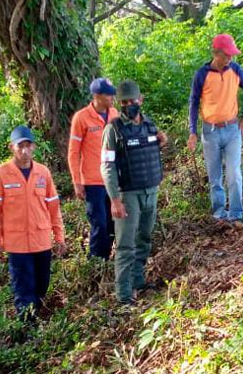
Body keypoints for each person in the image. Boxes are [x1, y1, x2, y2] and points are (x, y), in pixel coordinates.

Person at [0, 125, 66, 321]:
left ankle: (38, 320)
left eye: (28, 146)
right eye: (20, 146)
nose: (25, 151)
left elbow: (53, 207)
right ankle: (27, 330)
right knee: (23, 289)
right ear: (11, 147)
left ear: (34, 147)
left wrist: (59, 237)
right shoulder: (0, 174)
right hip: (17, 244)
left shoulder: (43, 172)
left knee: (42, 285)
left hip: (41, 241)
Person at [100, 80, 167, 305]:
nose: (130, 105)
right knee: (126, 245)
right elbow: (107, 166)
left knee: (144, 239)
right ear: (119, 104)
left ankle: (138, 280)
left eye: (133, 101)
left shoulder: (150, 125)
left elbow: (151, 150)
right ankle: (124, 293)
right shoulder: (113, 130)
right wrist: (114, 199)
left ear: (141, 100)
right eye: (125, 102)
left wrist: (162, 141)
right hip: (128, 194)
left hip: (151, 190)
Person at [187, 34, 243, 228]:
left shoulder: (236, 70)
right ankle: (219, 215)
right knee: (215, 177)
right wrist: (192, 131)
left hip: (232, 129)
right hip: (210, 132)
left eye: (232, 55)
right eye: (226, 55)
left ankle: (236, 215)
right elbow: (193, 102)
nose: (230, 58)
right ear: (216, 53)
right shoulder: (202, 74)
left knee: (234, 172)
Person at [68, 78, 119, 260]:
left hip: (113, 180)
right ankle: (96, 264)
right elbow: (73, 152)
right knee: (99, 225)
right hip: (93, 182)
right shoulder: (81, 118)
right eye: (108, 94)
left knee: (114, 224)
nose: (112, 97)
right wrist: (77, 181)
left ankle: (107, 262)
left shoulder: (114, 114)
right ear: (97, 96)